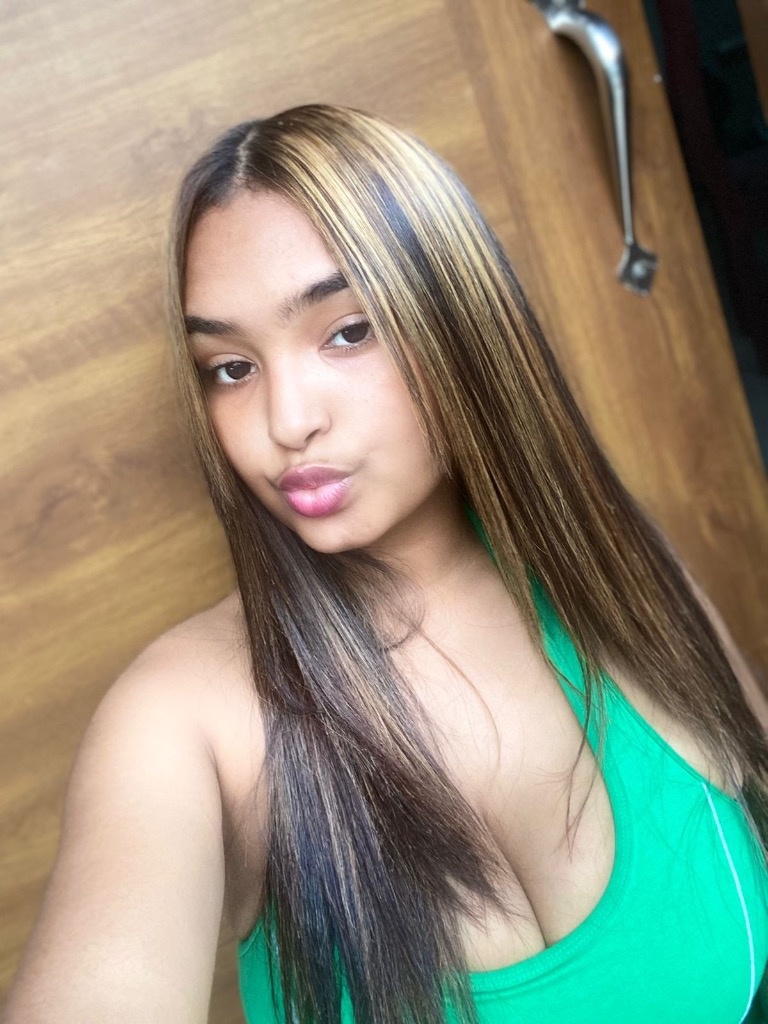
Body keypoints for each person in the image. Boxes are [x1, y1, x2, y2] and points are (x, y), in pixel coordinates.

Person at [4, 104, 768, 1024]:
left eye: (348, 331)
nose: (287, 421)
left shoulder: (619, 572)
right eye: (231, 367)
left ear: (462, 321)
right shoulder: (180, 719)